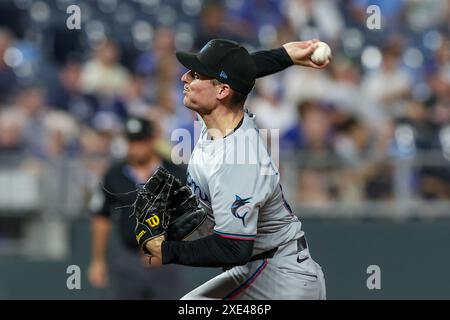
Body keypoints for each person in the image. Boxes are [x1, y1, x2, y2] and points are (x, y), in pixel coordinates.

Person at [140, 39, 329, 300]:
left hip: (282, 280)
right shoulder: (218, 115)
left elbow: (233, 248)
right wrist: (285, 55)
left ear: (222, 92)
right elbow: (243, 69)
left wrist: (166, 251)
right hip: (259, 266)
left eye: (195, 74)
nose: (184, 78)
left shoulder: (239, 159)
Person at [88, 116, 187, 299]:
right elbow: (101, 216)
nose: (136, 147)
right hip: (129, 258)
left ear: (152, 140)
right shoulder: (115, 174)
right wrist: (98, 260)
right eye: (132, 141)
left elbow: (189, 216)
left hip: (166, 261)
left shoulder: (175, 173)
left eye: (140, 140)